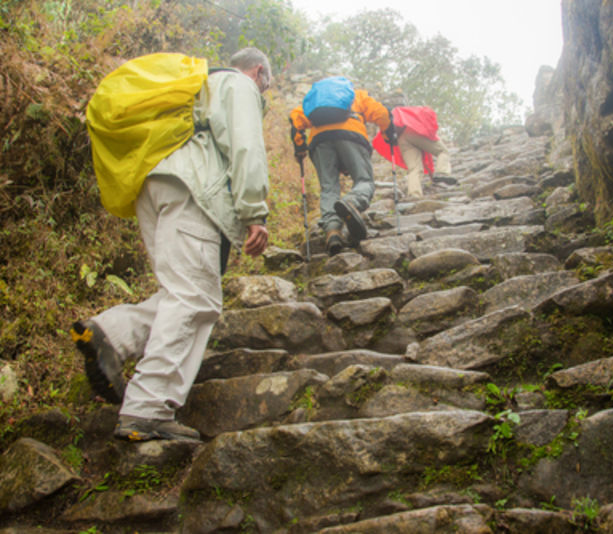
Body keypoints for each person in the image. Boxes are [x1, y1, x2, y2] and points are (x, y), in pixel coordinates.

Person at [70, 47, 272, 442]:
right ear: (259, 72)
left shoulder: (195, 90)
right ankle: (147, 409)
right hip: (191, 186)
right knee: (194, 299)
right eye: (266, 84)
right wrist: (254, 212)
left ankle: (111, 334)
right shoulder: (236, 83)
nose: (264, 91)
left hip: (155, 183)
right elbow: (246, 145)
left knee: (180, 292)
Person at [289, 79, 395, 255]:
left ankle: (333, 232)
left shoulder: (314, 101)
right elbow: (381, 113)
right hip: (351, 135)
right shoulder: (356, 95)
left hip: (319, 140)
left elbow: (296, 120)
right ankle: (351, 202)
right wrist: (388, 133)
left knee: (329, 187)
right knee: (364, 180)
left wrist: (299, 147)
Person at [372, 105, 456, 199]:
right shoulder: (421, 111)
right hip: (414, 130)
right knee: (443, 151)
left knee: (414, 168)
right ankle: (442, 172)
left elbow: (425, 157)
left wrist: (431, 174)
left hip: (401, 139)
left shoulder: (401, 114)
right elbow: (428, 126)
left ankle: (414, 194)